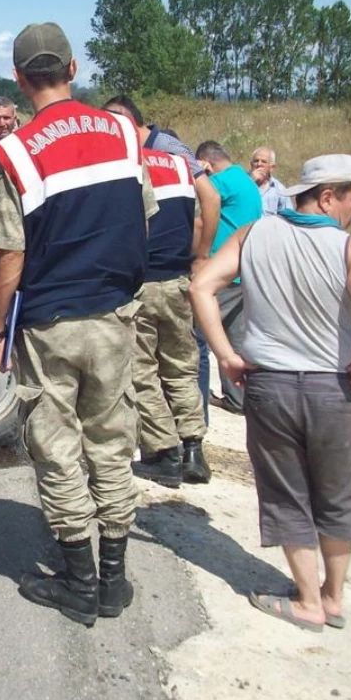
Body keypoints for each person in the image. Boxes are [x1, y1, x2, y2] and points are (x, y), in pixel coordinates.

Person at [0, 22, 156, 626]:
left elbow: (10, 254)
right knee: (112, 442)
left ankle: (79, 583)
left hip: (51, 320)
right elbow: (146, 215)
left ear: (19, 77)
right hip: (114, 313)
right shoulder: (124, 133)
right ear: (74, 68)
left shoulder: (16, 152)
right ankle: (115, 580)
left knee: (58, 449)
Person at [190, 154, 351, 632]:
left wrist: (225, 354)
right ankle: (333, 597)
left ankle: (306, 600)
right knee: (338, 491)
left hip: (271, 386)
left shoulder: (253, 235)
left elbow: (202, 286)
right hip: (333, 389)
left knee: (286, 492)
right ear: (327, 197)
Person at [105, 97, 222, 422]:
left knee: (164, 363)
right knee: (177, 361)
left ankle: (171, 444)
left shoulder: (170, 151)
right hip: (174, 274)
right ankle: (191, 439)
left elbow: (209, 199)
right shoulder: (159, 155)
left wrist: (201, 256)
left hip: (160, 275)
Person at [119, 127, 210, 488]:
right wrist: (196, 257)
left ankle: (164, 453)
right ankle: (193, 450)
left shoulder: (130, 166)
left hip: (143, 283)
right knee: (181, 368)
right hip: (178, 280)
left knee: (141, 372)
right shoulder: (179, 166)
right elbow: (201, 217)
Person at [195, 140, 263, 416]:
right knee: (234, 338)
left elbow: (199, 201)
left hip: (220, 271)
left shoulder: (221, 181)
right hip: (243, 271)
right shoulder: (246, 181)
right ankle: (237, 400)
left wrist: (196, 174)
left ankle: (196, 405)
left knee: (196, 337)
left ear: (208, 164)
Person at [250, 147, 290, 216]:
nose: (259, 164)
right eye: (256, 161)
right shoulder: (241, 183)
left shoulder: (279, 189)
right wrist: (250, 181)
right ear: (251, 164)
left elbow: (288, 216)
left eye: (263, 161)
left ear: (271, 167)